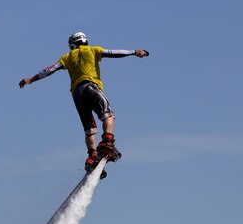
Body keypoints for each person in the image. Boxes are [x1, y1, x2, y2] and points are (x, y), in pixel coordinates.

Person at [19, 32, 149, 176]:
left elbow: (49, 70)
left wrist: (31, 79)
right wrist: (133, 52)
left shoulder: (67, 57)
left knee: (90, 128)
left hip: (76, 94)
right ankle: (107, 142)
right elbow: (112, 52)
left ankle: (92, 155)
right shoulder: (92, 50)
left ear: (72, 44)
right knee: (108, 115)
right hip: (90, 86)